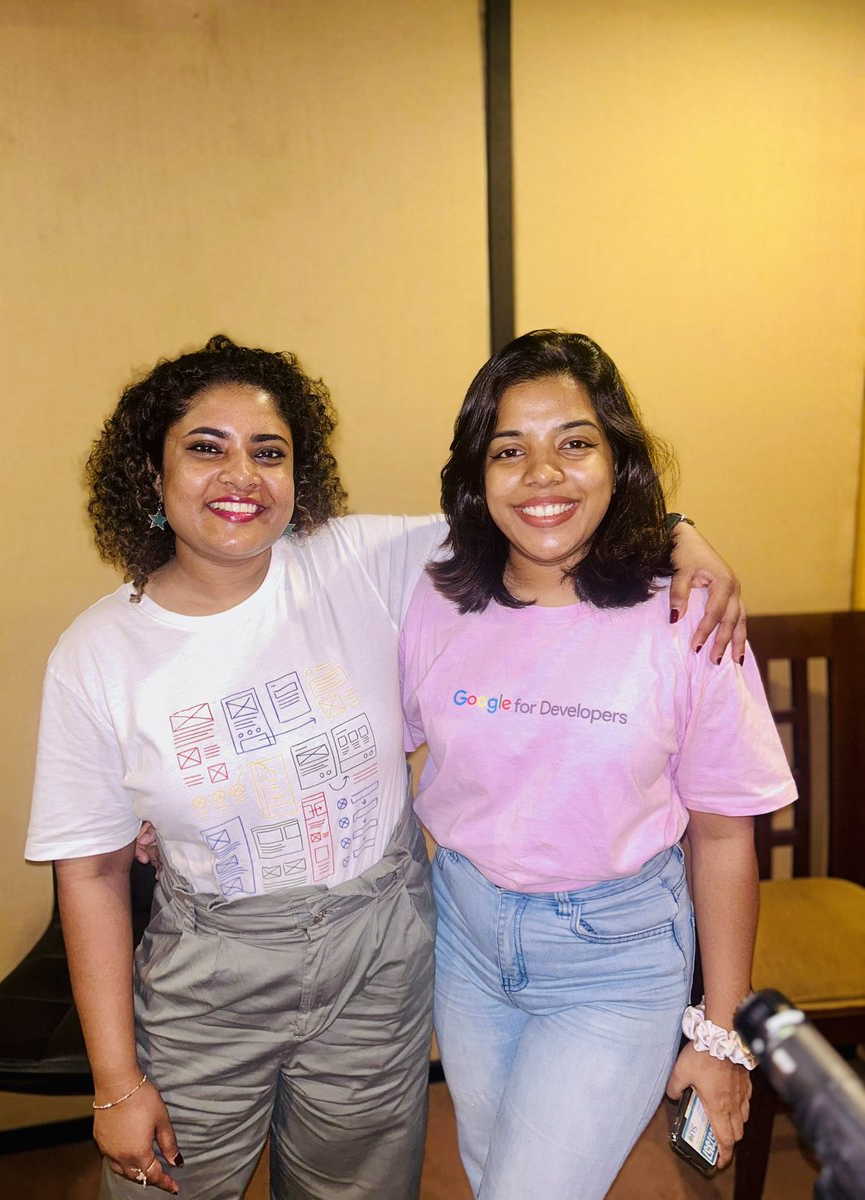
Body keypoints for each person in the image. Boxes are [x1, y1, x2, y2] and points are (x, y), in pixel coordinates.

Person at [25, 333, 743, 1199]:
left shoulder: (362, 562)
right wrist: (117, 1081)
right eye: (205, 449)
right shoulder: (95, 655)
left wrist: (677, 532)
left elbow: (541, 509)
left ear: (301, 472)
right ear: (151, 474)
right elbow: (92, 874)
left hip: (382, 953)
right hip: (213, 972)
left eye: (269, 452)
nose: (241, 476)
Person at [400, 330, 796, 1200]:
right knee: (495, 1173)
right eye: (511, 451)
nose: (544, 474)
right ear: (477, 475)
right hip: (467, 936)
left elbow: (727, 837)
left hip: (616, 954)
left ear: (619, 460)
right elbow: (361, 741)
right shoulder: (435, 597)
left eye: (574, 443)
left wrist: (720, 1033)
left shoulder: (689, 618)